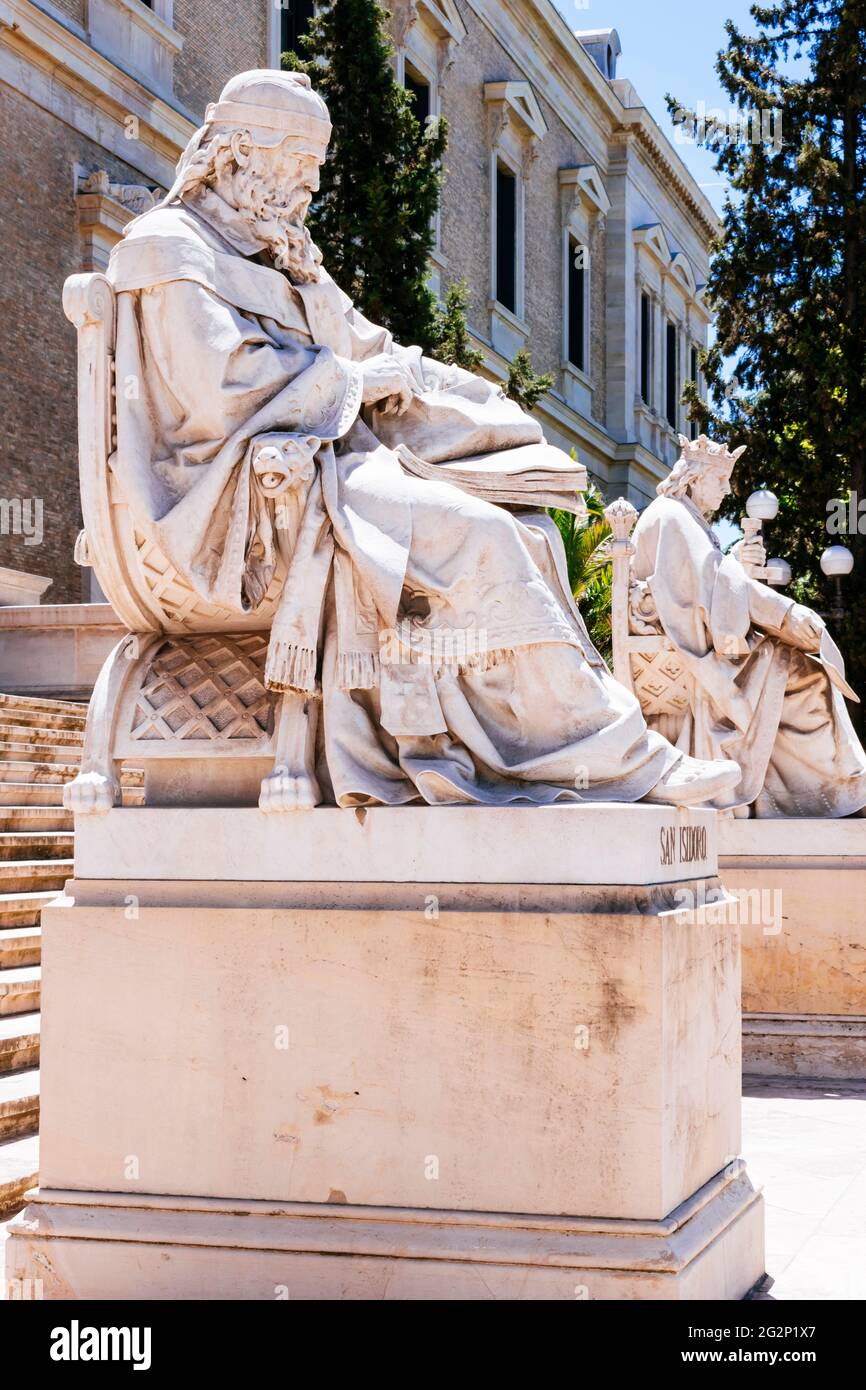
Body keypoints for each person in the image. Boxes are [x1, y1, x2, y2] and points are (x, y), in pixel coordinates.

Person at [106, 69, 739, 809]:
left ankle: (522, 750)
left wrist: (435, 385)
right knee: (475, 536)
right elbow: (222, 388)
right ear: (244, 155)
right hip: (241, 490)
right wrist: (350, 383)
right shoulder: (168, 247)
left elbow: (365, 348)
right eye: (300, 170)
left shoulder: (273, 256)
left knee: (527, 531)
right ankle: (615, 761)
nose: (309, 192)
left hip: (325, 459)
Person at [630, 434, 866, 816]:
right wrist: (788, 614)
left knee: (803, 669)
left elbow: (714, 581)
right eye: (720, 481)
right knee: (808, 678)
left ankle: (834, 792)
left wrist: (736, 559)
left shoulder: (682, 517)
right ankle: (835, 794)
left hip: (703, 649)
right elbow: (711, 592)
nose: (727, 490)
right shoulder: (672, 516)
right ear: (693, 478)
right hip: (701, 658)